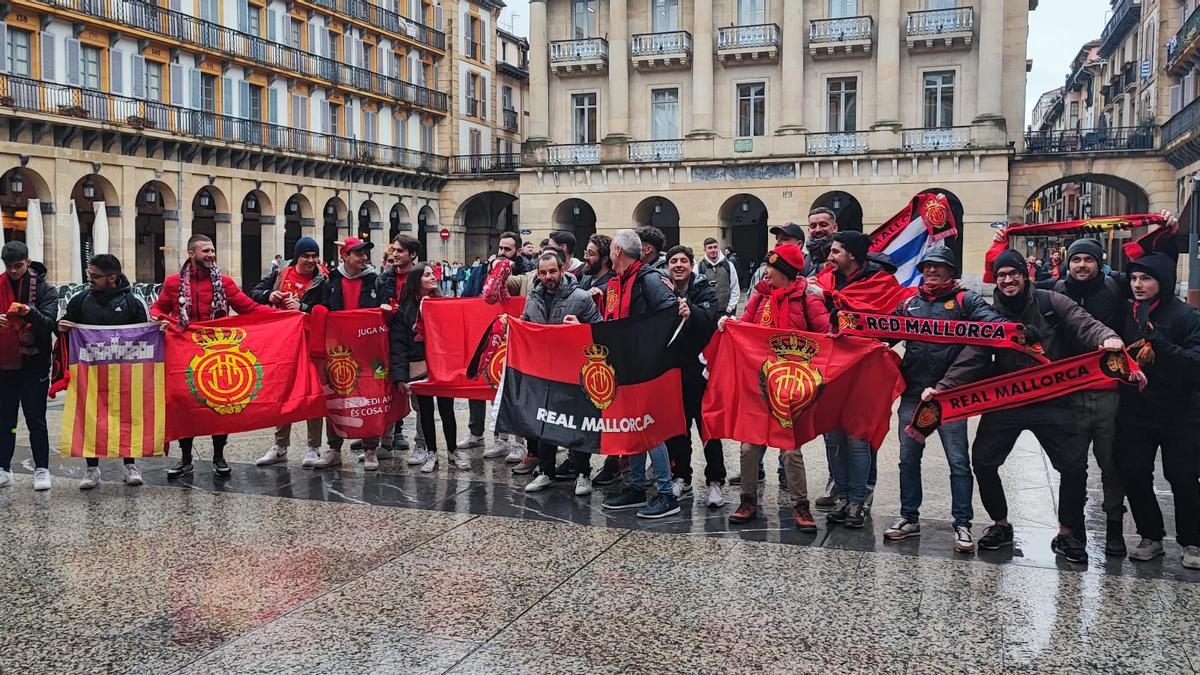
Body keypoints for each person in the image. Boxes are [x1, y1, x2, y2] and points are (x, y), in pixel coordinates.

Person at [929, 249, 1122, 564]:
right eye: (1001, 275)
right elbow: (972, 357)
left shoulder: (1051, 302)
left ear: (1024, 275)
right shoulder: (990, 314)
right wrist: (942, 390)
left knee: (1073, 468)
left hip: (1054, 401)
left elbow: (1085, 324)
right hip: (1007, 401)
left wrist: (1108, 338)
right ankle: (1000, 524)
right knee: (984, 461)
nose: (1007, 280)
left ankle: (1066, 533)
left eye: (1013, 273)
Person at [882, 246, 1005, 553]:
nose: (932, 272)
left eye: (939, 267)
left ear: (952, 272)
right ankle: (908, 517)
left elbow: (992, 324)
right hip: (914, 394)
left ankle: (962, 523)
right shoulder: (909, 303)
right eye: (927, 267)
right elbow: (884, 332)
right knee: (908, 460)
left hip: (952, 397)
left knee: (959, 463)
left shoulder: (966, 300)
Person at [722, 244, 831, 529]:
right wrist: (728, 324)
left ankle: (801, 506)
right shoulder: (760, 295)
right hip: (759, 385)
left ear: (785, 271)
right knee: (748, 449)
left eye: (771, 267)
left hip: (791, 387)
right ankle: (748, 500)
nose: (766, 272)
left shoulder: (808, 298)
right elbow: (744, 329)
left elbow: (826, 339)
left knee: (791, 450)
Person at [1037, 237, 1130, 555]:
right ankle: (1073, 530)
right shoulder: (1054, 291)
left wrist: (1164, 235)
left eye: (1088, 260)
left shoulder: (1116, 288)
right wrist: (998, 244)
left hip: (1109, 394)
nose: (1081, 265)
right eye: (1076, 260)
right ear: (1068, 263)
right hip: (1070, 394)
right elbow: (1010, 284)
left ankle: (1115, 529)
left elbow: (1151, 268)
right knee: (1072, 467)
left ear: (1098, 262)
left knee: (1112, 465)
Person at [150, 234, 264, 479]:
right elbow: (158, 308)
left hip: (217, 352)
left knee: (220, 403)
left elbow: (249, 308)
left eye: (212, 250)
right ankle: (185, 458)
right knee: (184, 405)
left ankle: (219, 456)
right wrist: (164, 321)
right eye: (205, 251)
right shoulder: (173, 283)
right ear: (191, 254)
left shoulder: (224, 283)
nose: (211, 255)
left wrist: (280, 315)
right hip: (183, 355)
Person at [1116, 253, 1200, 569]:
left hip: (1179, 412)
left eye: (1145, 279)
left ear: (1161, 282)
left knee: (1183, 477)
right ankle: (1150, 535)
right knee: (1134, 472)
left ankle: (1193, 541)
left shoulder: (1187, 316)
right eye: (1134, 279)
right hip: (1137, 411)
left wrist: (1163, 344)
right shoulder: (1127, 312)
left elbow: (1195, 364)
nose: (1138, 285)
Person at [813, 231, 898, 526]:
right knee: (833, 434)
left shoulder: (881, 282)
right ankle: (844, 497)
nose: (830, 257)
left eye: (836, 252)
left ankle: (858, 501)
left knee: (858, 437)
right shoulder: (826, 278)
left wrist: (828, 296)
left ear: (852, 255)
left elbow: (885, 319)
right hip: (831, 367)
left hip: (865, 370)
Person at [600, 229, 683, 519]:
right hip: (623, 366)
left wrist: (648, 351)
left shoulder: (648, 279)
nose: (609, 254)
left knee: (649, 429)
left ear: (619, 252)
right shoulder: (616, 282)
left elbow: (669, 313)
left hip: (645, 367)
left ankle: (665, 493)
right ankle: (636, 487)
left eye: (611, 249)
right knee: (631, 426)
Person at [57, 253, 149, 489]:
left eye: (96, 276)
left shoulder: (133, 302)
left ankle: (130, 464)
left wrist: (158, 330)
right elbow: (66, 326)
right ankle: (91, 468)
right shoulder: (79, 301)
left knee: (127, 416)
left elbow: (145, 333)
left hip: (125, 371)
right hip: (90, 372)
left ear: (112, 278)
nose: (91, 279)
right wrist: (62, 327)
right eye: (90, 274)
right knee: (90, 417)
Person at [520, 250, 603, 495]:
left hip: (573, 371)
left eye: (552, 271)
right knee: (544, 421)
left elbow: (599, 330)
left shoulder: (580, 297)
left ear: (562, 269)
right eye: (543, 273)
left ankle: (582, 473)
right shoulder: (532, 297)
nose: (548, 277)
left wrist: (580, 328)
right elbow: (525, 322)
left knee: (576, 424)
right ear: (538, 273)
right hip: (543, 371)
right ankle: (546, 471)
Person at [250, 237, 328, 468]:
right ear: (297, 257)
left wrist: (303, 308)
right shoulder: (280, 275)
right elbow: (255, 292)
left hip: (311, 342)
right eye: (306, 256)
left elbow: (330, 308)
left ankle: (313, 448)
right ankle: (280, 445)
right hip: (285, 344)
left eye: (314, 256)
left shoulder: (323, 279)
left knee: (313, 393)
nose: (311, 260)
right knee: (283, 392)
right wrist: (269, 295)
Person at [309, 237, 383, 470]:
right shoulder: (329, 281)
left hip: (367, 350)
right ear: (345, 257)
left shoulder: (375, 281)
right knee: (336, 398)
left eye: (364, 254)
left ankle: (371, 448)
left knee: (370, 398)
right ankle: (334, 448)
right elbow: (314, 307)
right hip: (339, 351)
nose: (363, 258)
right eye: (358, 254)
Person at [663, 245, 725, 507]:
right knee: (678, 427)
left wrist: (692, 313)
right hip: (673, 369)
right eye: (674, 261)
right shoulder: (662, 289)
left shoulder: (703, 288)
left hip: (700, 371)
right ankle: (681, 476)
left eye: (683, 261)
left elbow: (710, 317)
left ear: (691, 265)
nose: (678, 265)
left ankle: (715, 481)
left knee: (707, 427)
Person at [392, 263, 463, 473]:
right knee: (425, 411)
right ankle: (431, 452)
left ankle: (452, 451)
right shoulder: (404, 310)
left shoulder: (442, 303)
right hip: (419, 366)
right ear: (416, 281)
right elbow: (398, 344)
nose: (433, 277)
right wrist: (400, 376)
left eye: (433, 274)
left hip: (443, 365)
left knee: (447, 409)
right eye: (427, 275)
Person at [463, 231, 527, 461]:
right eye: (500, 248)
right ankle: (500, 439)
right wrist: (490, 270)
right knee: (490, 383)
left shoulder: (525, 270)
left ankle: (520, 443)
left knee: (516, 388)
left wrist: (503, 271)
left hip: (515, 335)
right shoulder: (485, 267)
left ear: (517, 252)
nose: (502, 253)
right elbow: (472, 294)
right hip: (491, 333)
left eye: (507, 249)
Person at [0, 242, 58, 491]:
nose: (13, 271)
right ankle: (4, 467)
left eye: (18, 266)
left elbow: (48, 324)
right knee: (5, 419)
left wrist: (28, 311)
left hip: (34, 362)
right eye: (8, 266)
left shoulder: (45, 290)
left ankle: (42, 468)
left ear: (28, 262)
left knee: (36, 419)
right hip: (4, 362)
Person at [376, 234, 422, 460]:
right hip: (389, 342)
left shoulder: (423, 277)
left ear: (412, 254)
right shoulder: (383, 279)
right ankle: (386, 441)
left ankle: (422, 444)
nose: (394, 255)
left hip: (416, 344)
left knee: (419, 396)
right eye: (393, 250)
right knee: (389, 393)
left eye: (400, 251)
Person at [694, 237, 740, 317]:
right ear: (705, 249)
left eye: (715, 247)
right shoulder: (698, 267)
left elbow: (735, 287)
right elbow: (695, 291)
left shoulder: (729, 265)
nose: (713, 250)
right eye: (710, 248)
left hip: (727, 312)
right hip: (707, 313)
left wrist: (730, 307)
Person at [804, 207, 838, 277]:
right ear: (808, 230)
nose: (817, 230)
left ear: (834, 228)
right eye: (813, 226)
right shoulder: (802, 261)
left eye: (823, 225)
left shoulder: (845, 258)